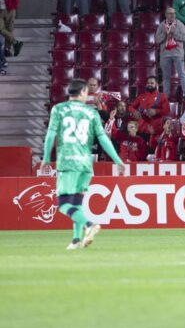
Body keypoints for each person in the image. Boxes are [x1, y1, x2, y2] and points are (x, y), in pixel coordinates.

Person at [41, 79, 126, 250]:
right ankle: (76, 240)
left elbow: (50, 135)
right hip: (86, 164)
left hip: (68, 161)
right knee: (76, 204)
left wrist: (45, 157)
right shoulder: (91, 112)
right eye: (87, 92)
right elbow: (103, 138)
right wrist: (118, 160)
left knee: (64, 204)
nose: (88, 96)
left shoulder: (59, 109)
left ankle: (90, 224)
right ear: (81, 93)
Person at [156, 7, 185, 97]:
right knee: (166, 77)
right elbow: (157, 40)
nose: (172, 15)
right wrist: (165, 34)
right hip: (165, 54)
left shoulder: (180, 25)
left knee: (182, 74)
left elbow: (184, 38)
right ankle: (166, 96)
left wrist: (175, 33)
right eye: (170, 13)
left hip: (178, 53)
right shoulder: (161, 26)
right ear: (166, 15)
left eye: (174, 13)